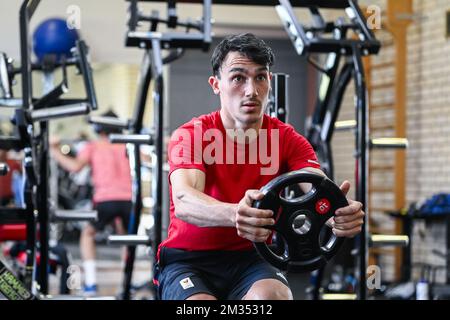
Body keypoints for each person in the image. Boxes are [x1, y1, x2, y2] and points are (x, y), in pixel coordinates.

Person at [154, 33, 365, 300]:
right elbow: (185, 200)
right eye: (238, 78)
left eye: (260, 78)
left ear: (269, 83)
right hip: (189, 260)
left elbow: (317, 185)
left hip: (251, 258)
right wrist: (235, 214)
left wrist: (337, 213)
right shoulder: (191, 134)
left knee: (272, 298)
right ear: (216, 84)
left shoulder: (287, 138)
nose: (251, 91)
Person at [50, 110, 132, 296]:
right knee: (127, 239)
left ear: (98, 128)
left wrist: (54, 149)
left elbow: (75, 166)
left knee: (87, 234)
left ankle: (91, 284)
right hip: (129, 199)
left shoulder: (94, 146)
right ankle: (127, 284)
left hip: (105, 199)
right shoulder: (127, 145)